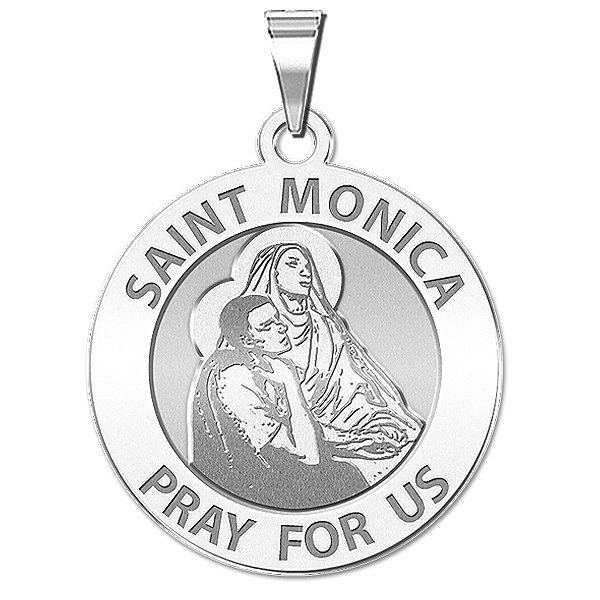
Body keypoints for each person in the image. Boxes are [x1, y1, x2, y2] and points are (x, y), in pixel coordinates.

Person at [240, 243, 425, 482]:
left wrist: (378, 421)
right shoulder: (255, 329)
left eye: (307, 266)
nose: (305, 272)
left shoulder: (326, 327)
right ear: (273, 274)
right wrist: (346, 439)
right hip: (293, 441)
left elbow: (356, 384)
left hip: (348, 422)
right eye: (293, 264)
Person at [190, 294, 368, 509]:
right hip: (256, 490)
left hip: (286, 470)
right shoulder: (233, 379)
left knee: (348, 473)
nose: (282, 327)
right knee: (345, 478)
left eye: (277, 318)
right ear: (246, 341)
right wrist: (289, 384)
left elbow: (309, 431)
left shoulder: (274, 365)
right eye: (268, 325)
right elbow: (306, 456)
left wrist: (358, 441)